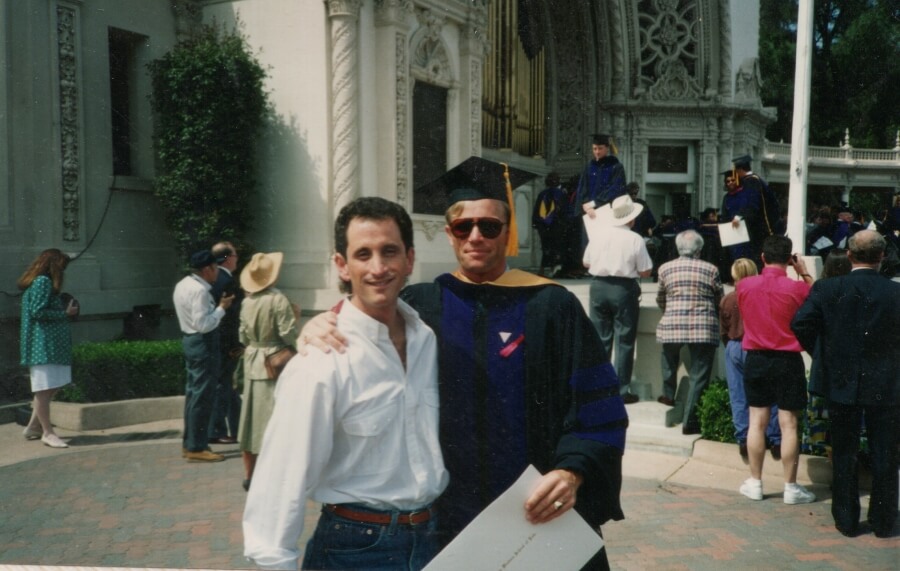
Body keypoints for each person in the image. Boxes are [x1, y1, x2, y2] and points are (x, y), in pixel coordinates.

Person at [301, 157, 628, 570]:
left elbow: (599, 409)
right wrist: (319, 323)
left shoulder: (552, 306)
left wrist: (573, 472)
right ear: (450, 234)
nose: (476, 236)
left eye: (489, 226)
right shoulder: (420, 307)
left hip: (538, 518)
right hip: (445, 525)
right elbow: (358, 320)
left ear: (508, 233)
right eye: (463, 226)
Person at [243, 197, 448, 570]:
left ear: (410, 259)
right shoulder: (322, 359)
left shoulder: (426, 339)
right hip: (356, 549)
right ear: (341, 265)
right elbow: (281, 474)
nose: (378, 267)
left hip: (432, 541)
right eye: (363, 254)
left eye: (390, 251)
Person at [791, 230, 900, 538]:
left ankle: (846, 519)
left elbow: (801, 324)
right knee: (885, 453)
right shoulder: (895, 293)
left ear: (850, 256)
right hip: (886, 382)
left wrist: (824, 355)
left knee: (843, 452)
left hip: (841, 380)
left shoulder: (828, 288)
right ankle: (883, 520)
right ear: (881, 257)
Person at [736, 235, 816, 504]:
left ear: (763, 257)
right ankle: (791, 487)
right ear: (789, 258)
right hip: (787, 360)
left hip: (757, 357)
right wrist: (803, 272)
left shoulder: (745, 285)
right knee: (789, 424)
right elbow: (817, 296)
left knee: (756, 421)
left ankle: (756, 482)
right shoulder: (797, 289)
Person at [236, 251, 299, 492]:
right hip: (275, 363)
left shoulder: (247, 301)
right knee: (274, 420)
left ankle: (249, 474)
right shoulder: (278, 299)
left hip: (252, 362)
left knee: (250, 421)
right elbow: (288, 334)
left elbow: (242, 335)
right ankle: (276, 475)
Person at [583, 194, 654, 404]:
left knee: (600, 339)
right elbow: (646, 271)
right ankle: (621, 389)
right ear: (631, 219)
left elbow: (586, 263)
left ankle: (599, 386)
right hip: (623, 288)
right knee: (624, 339)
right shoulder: (635, 238)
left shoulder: (598, 235)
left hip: (598, 286)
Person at [654, 230, 723, 434]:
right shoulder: (710, 269)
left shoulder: (665, 268)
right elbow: (719, 298)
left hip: (672, 323)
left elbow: (660, 298)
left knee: (668, 359)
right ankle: (690, 420)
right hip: (702, 327)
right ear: (699, 250)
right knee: (699, 375)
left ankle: (668, 395)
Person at [173, 250, 234, 462]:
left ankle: (190, 443)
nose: (217, 272)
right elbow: (204, 324)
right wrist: (221, 309)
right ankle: (197, 447)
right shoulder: (199, 291)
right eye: (215, 268)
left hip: (191, 342)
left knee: (193, 395)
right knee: (202, 397)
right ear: (207, 269)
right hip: (202, 343)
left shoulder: (183, 285)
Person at [719, 258, 781, 462]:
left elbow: (724, 328)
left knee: (738, 394)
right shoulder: (761, 295)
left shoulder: (729, 298)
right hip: (756, 344)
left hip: (735, 345)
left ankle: (744, 438)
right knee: (769, 391)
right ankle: (775, 438)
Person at [18, 249, 80, 449]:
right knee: (44, 390)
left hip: (47, 345)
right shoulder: (43, 282)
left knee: (49, 387)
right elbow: (38, 311)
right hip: (43, 345)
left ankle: (34, 427)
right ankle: (48, 432)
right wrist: (65, 313)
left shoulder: (38, 282)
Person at [208, 241, 243, 445]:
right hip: (225, 344)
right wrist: (235, 345)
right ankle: (217, 429)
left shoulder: (214, 278)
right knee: (224, 387)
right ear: (228, 258)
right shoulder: (227, 281)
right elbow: (230, 318)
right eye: (236, 255)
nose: (237, 259)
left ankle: (237, 427)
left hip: (216, 342)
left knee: (227, 387)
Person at [721, 157, 778, 268]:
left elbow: (751, 203)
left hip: (758, 228)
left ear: (740, 170)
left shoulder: (751, 181)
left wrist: (738, 217)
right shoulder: (756, 180)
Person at [531, 172, 567, 277]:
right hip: (556, 225)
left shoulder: (542, 194)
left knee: (545, 248)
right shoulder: (561, 194)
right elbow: (564, 210)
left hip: (543, 225)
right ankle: (552, 270)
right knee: (555, 247)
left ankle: (542, 270)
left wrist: (535, 223)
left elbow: (537, 209)